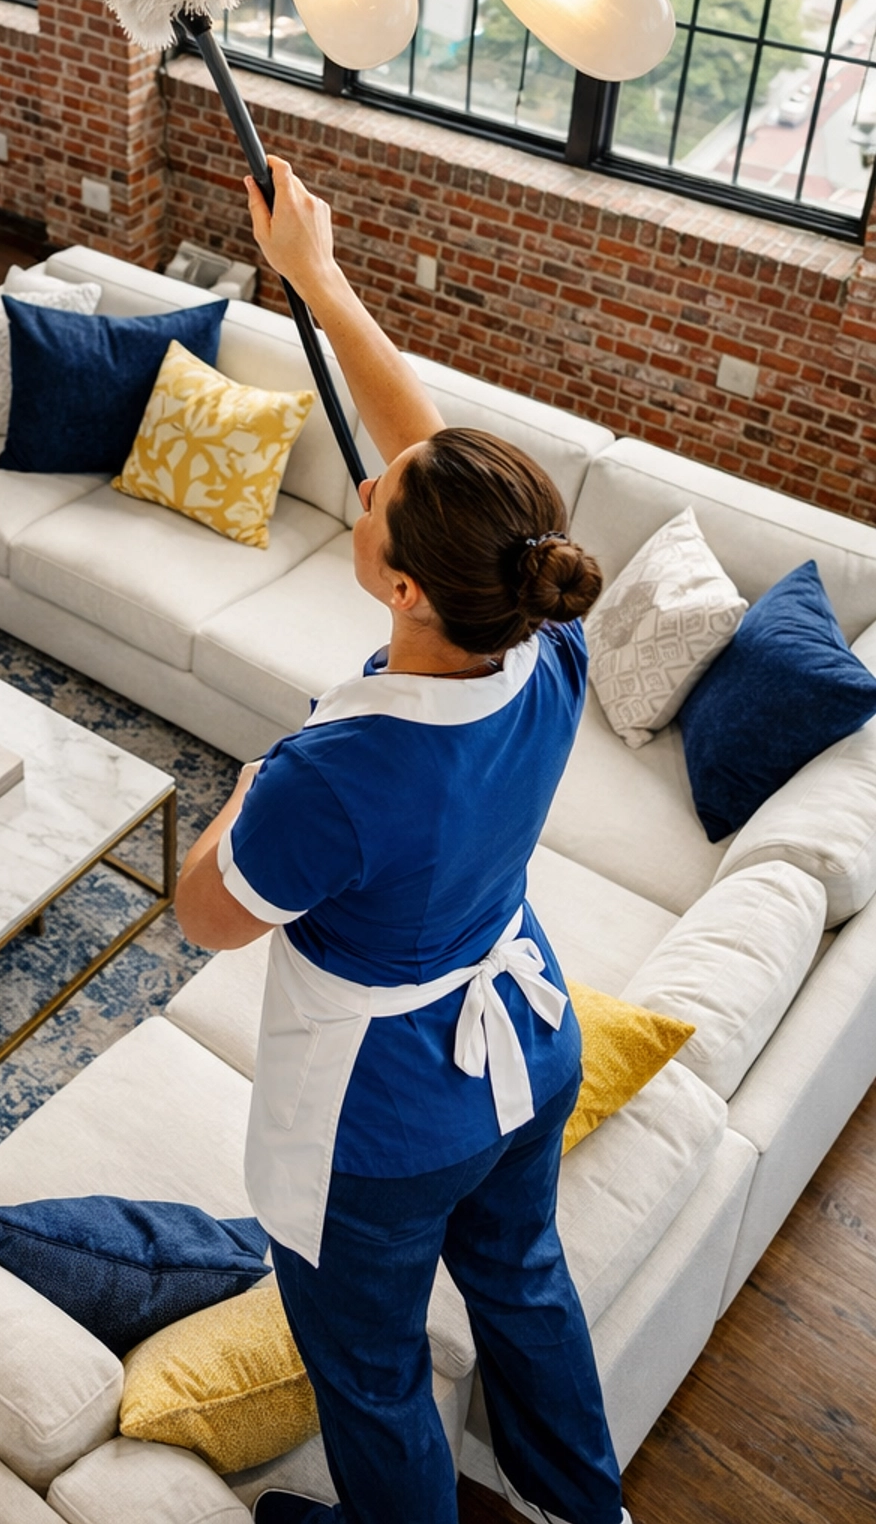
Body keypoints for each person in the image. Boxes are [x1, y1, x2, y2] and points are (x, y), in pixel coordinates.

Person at [175, 160, 630, 1524]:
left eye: (376, 502)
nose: (367, 482)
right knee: (524, 1282)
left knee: (371, 1379)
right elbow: (432, 457)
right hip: (528, 1053)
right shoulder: (544, 642)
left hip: (385, 1125)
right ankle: (584, 1509)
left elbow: (206, 915)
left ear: (412, 590)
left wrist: (252, 786)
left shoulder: (338, 775)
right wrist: (314, 275)